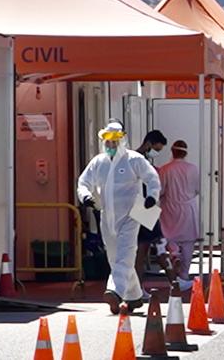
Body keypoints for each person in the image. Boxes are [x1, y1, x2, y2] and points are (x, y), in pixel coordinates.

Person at [77, 121, 161, 314]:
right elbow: (83, 181)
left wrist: (152, 197)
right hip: (107, 216)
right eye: (108, 142)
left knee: (126, 253)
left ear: (122, 140)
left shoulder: (134, 159)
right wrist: (85, 196)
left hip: (131, 215)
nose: (111, 146)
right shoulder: (99, 162)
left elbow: (152, 178)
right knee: (115, 257)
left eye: (115, 142)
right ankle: (134, 296)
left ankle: (114, 291)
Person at [157, 139, 201, 291]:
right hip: (188, 209)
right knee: (188, 243)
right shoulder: (193, 169)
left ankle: (174, 254)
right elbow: (197, 190)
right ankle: (184, 275)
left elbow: (160, 191)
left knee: (170, 237)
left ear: (172, 152)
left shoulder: (165, 169)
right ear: (185, 153)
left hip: (169, 208)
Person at [132, 130, 168, 277]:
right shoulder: (137, 160)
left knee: (144, 248)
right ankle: (175, 282)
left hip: (143, 206)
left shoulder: (140, 159)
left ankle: (139, 287)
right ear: (148, 144)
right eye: (156, 149)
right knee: (153, 245)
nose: (156, 153)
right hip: (142, 207)